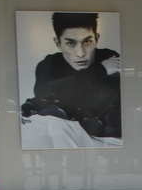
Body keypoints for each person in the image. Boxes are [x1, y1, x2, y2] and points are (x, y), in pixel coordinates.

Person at [21, 13, 122, 147]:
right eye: (70, 43)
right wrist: (99, 71)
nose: (80, 53)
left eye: (87, 42)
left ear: (96, 39)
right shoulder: (49, 64)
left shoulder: (110, 59)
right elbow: (46, 94)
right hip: (61, 139)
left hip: (103, 139)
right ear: (58, 43)